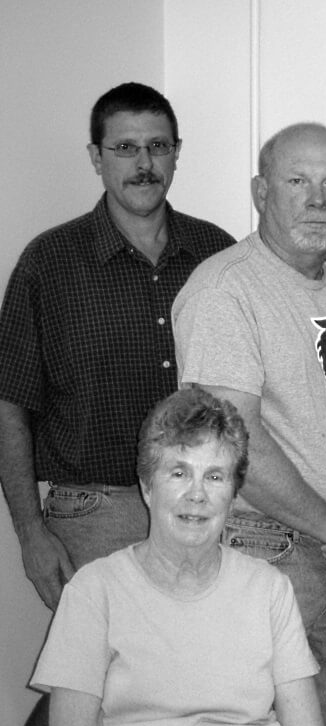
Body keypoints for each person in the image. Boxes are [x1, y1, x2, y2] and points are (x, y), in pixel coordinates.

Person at [172, 122, 326, 726]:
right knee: (249, 717)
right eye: (297, 182)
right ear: (261, 192)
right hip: (264, 548)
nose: (318, 200)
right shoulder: (225, 288)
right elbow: (232, 439)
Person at [0, 82, 233, 612]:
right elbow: (9, 407)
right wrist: (31, 535)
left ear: (177, 153)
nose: (144, 164)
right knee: (105, 663)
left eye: (158, 146)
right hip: (94, 518)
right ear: (96, 157)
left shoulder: (217, 254)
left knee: (201, 658)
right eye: (125, 148)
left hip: (207, 508)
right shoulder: (49, 263)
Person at [31, 387, 322, 726]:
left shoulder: (270, 590)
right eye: (179, 473)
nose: (197, 494)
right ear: (147, 487)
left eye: (214, 477)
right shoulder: (93, 592)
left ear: (232, 496)